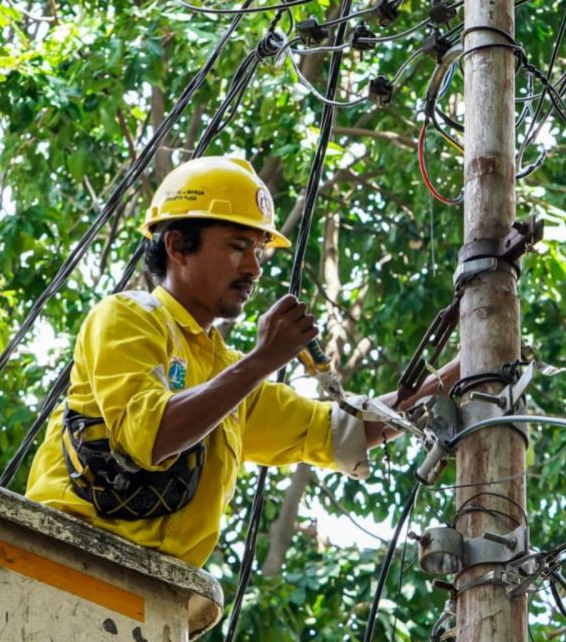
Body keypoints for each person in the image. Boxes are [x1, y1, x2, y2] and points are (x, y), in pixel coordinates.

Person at [26, 156, 457, 567]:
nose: (254, 267)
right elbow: (151, 436)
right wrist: (261, 361)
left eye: (258, 251)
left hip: (153, 590)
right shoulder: (127, 318)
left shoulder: (229, 378)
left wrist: (465, 369)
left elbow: (343, 428)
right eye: (237, 247)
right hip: (65, 560)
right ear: (177, 246)